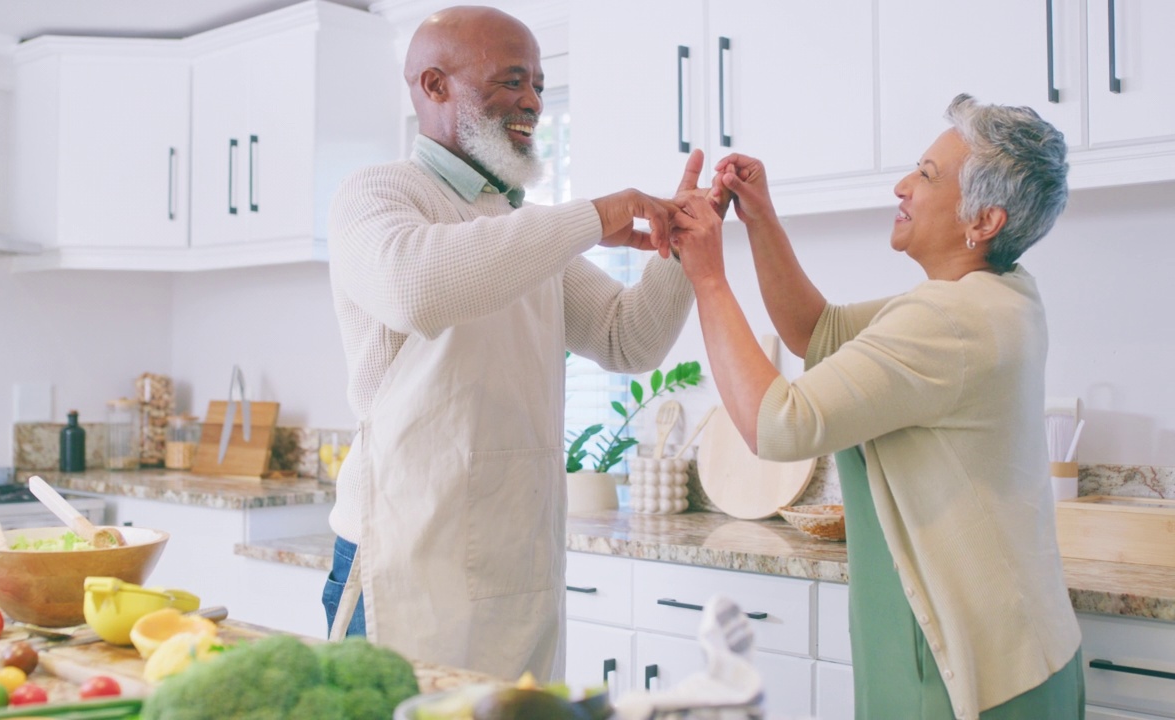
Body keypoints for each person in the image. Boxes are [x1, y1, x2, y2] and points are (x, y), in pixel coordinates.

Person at [670, 94, 1084, 719]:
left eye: (926, 175)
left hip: (968, 674)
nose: (902, 185)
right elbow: (821, 334)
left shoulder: (951, 318)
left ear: (984, 221)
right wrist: (762, 220)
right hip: (1019, 653)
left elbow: (775, 424)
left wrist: (707, 276)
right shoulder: (997, 295)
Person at [324, 5, 700, 682]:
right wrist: (595, 215)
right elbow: (419, 288)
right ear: (434, 87)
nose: (531, 102)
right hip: (403, 558)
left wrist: (684, 249)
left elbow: (628, 339)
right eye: (511, 81)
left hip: (518, 562)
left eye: (539, 87)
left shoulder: (516, 229)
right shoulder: (377, 194)